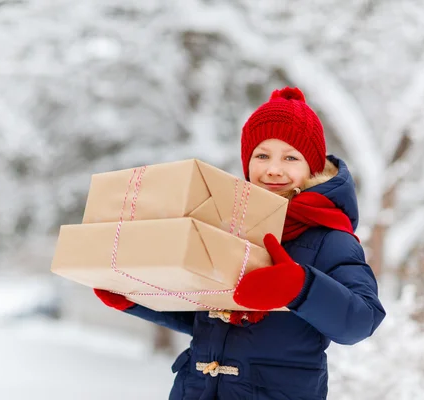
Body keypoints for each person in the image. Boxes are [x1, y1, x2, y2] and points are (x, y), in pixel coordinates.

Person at [94, 87, 386, 400]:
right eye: (262, 156)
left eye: (290, 157)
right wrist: (136, 298)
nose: (273, 168)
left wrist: (301, 287)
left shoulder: (329, 236)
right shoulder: (228, 225)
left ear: (312, 166)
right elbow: (203, 315)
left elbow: (362, 320)